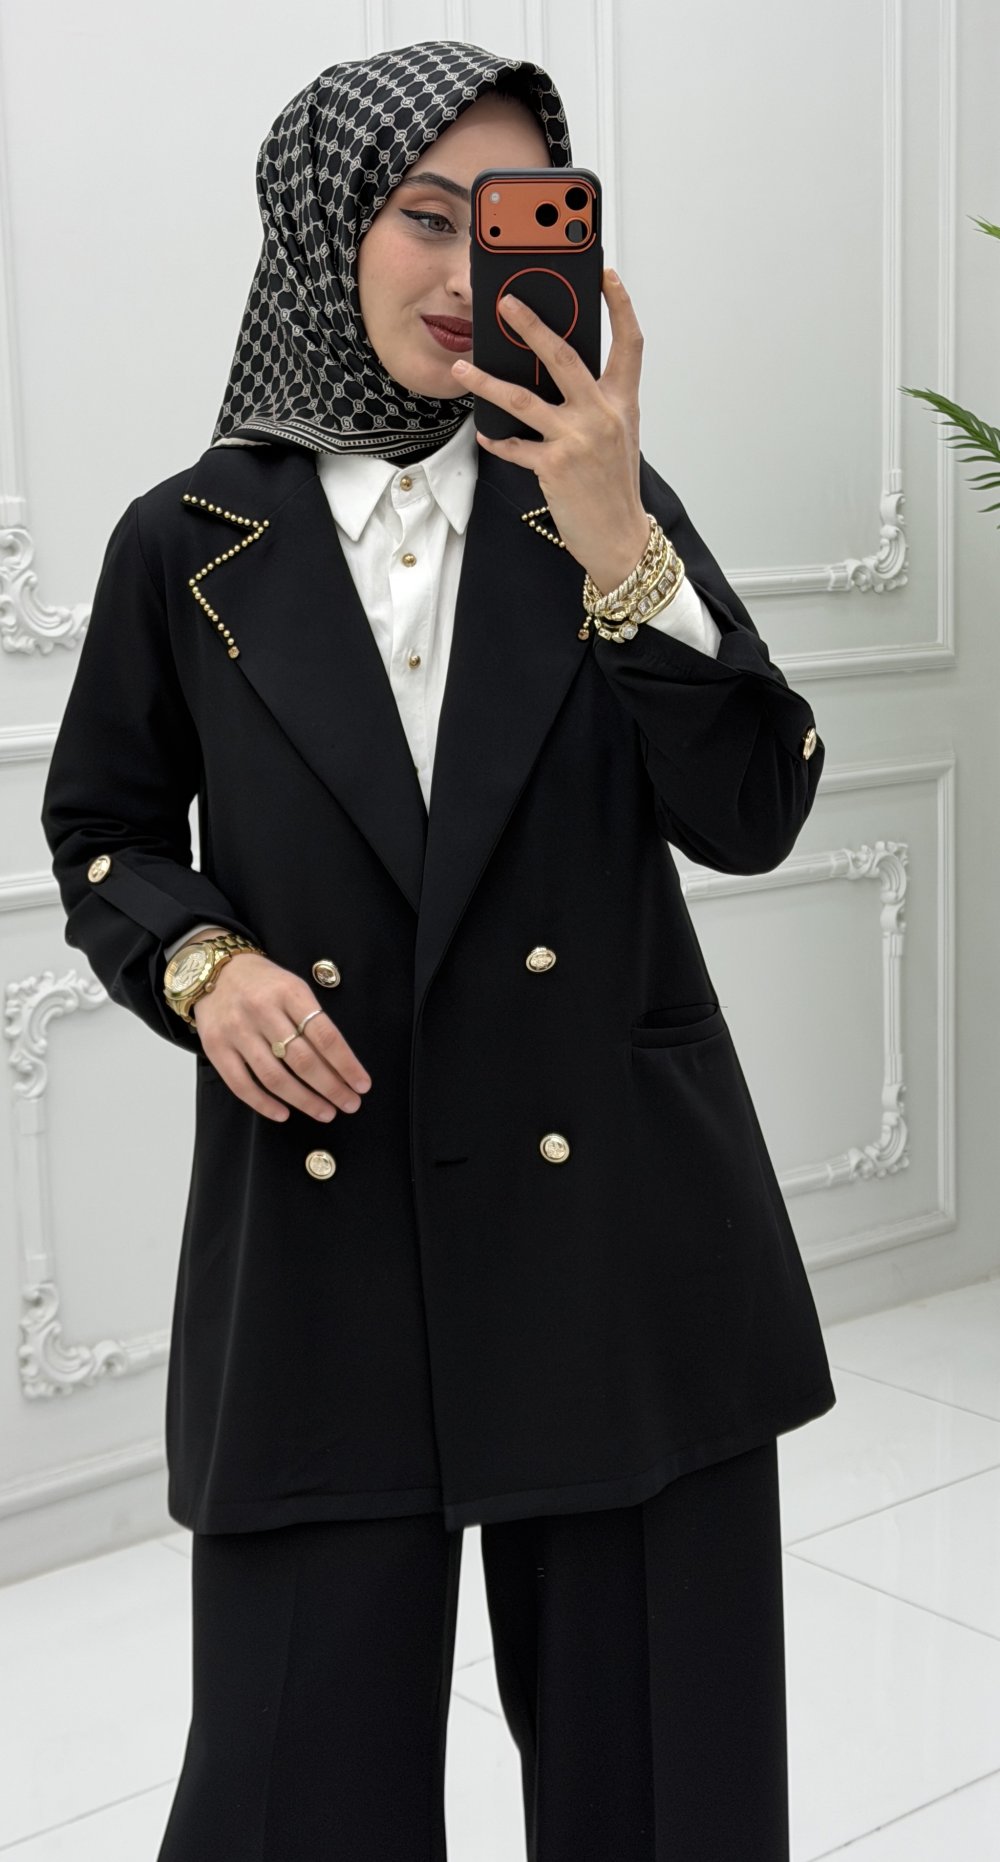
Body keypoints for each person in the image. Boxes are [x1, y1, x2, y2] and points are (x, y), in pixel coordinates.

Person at [41, 38, 836, 1861]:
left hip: (618, 1232)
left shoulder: (600, 493)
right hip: (324, 1238)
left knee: (666, 1790)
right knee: (293, 1790)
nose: (471, 266)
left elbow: (753, 810)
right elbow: (102, 831)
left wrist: (622, 541)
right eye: (422, 214)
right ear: (327, 226)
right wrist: (204, 964)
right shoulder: (188, 540)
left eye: (510, 218)